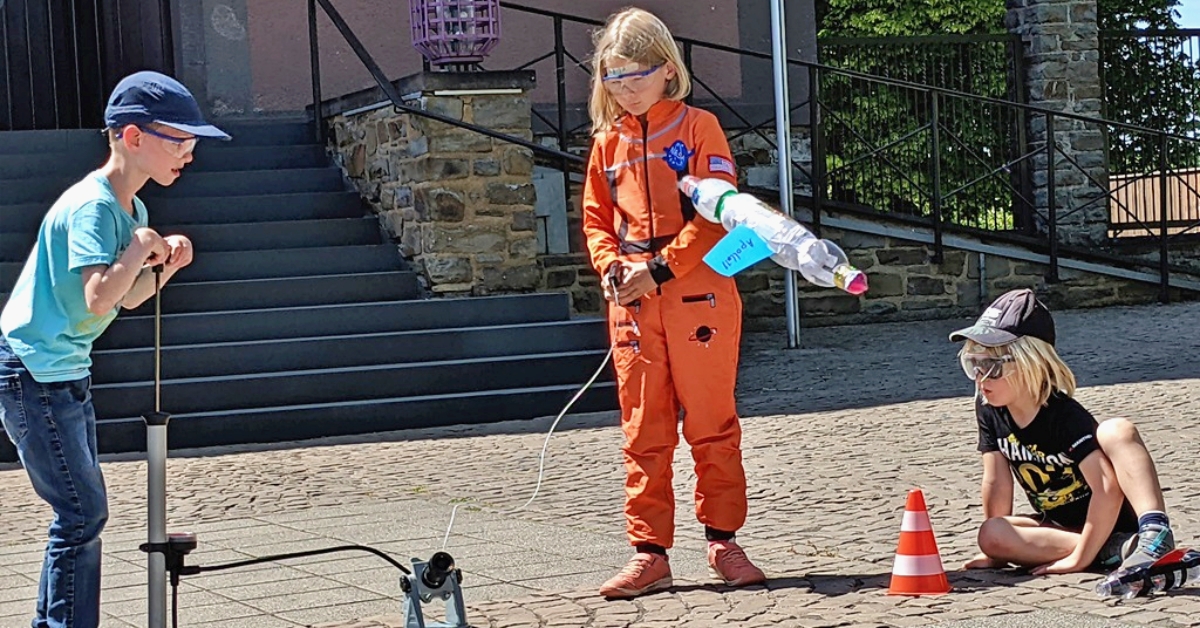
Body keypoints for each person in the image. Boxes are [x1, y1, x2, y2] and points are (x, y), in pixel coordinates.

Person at [0, 71, 228, 628]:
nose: (189, 153)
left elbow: (126, 300)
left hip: (61, 371)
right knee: (82, 515)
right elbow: (99, 297)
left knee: (78, 515)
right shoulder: (95, 208)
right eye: (179, 140)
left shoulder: (131, 212)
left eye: (193, 143)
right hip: (34, 373)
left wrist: (164, 266)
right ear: (131, 136)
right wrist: (139, 248)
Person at [581, 7, 766, 599]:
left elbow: (719, 214)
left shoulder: (699, 127)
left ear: (667, 70)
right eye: (613, 76)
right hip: (633, 306)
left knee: (712, 424)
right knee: (643, 430)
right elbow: (595, 220)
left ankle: (723, 541)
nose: (625, 86)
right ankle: (649, 554)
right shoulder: (605, 144)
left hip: (699, 296)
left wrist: (659, 269)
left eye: (635, 73)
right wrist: (613, 270)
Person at [951, 288, 1176, 577]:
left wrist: (1079, 560)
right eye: (975, 366)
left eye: (993, 367)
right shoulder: (989, 407)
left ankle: (1153, 534)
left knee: (1116, 430)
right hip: (1062, 526)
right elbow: (996, 482)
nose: (981, 379)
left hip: (1111, 515)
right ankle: (1117, 550)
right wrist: (993, 554)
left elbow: (1107, 489)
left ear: (1031, 362)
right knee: (992, 533)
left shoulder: (1063, 414)